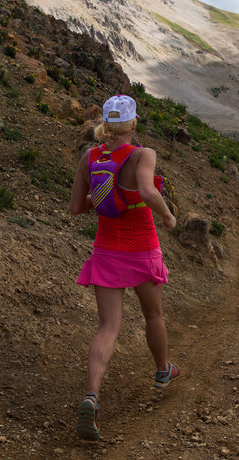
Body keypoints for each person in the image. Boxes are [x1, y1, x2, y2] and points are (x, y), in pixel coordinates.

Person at [70, 94, 178, 441]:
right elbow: (146, 190)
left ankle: (92, 395)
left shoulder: (90, 157)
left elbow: (76, 207)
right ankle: (163, 371)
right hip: (142, 248)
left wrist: (104, 196)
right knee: (153, 316)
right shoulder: (143, 154)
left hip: (106, 251)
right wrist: (167, 214)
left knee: (107, 328)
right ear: (133, 124)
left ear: (104, 124)